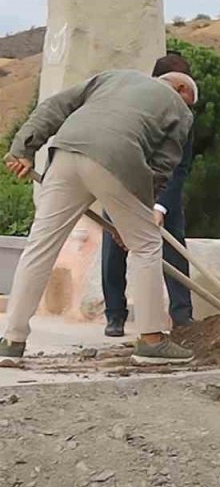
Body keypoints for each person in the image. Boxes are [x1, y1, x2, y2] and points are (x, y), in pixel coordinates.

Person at [0, 69, 197, 367]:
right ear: (181, 87)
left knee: (39, 247)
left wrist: (23, 149)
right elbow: (162, 165)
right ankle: (152, 341)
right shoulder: (179, 108)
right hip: (118, 159)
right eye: (190, 100)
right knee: (146, 247)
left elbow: (54, 107)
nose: (188, 107)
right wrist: (139, 216)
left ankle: (11, 341)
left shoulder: (113, 77)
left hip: (66, 153)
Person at [101, 52, 196, 337]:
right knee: (114, 248)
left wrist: (161, 207)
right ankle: (115, 315)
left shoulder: (185, 116)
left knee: (175, 249)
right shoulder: (132, 104)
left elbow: (181, 166)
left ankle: (182, 316)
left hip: (165, 190)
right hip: (123, 184)